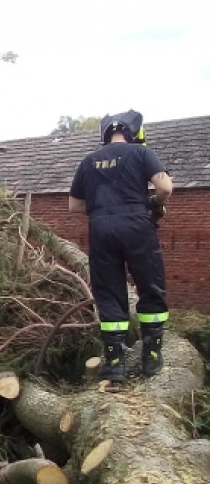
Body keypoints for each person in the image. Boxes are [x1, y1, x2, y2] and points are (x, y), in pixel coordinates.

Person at [68, 109, 173, 380]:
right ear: (136, 133)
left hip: (101, 227)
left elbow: (74, 205)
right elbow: (165, 187)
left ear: (105, 134)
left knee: (109, 291)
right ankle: (151, 357)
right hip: (137, 224)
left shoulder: (88, 161)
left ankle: (115, 364)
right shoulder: (141, 154)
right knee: (149, 283)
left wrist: (105, 207)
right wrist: (151, 204)